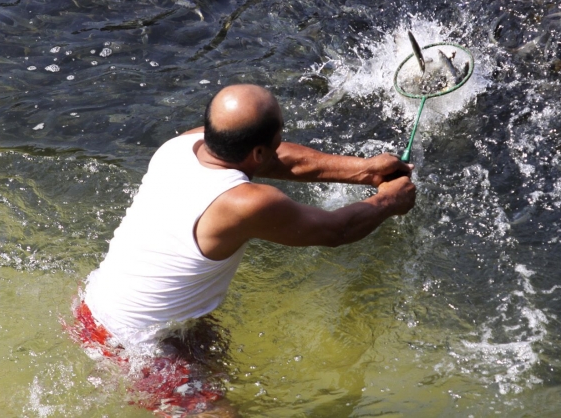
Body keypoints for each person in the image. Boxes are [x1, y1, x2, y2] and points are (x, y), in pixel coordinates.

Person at [70, 84, 416, 415]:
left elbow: (280, 159)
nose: (280, 145)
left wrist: (365, 170)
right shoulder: (244, 203)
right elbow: (337, 230)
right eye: (277, 137)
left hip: (92, 309)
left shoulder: (180, 146)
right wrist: (389, 201)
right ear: (259, 152)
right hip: (130, 347)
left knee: (216, 363)